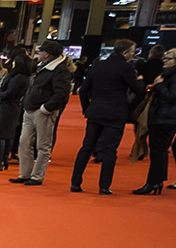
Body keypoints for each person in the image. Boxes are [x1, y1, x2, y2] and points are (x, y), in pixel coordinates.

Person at [71, 38, 143, 194]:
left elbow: (83, 91)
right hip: (115, 113)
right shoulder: (126, 68)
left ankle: (75, 183)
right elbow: (137, 90)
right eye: (133, 51)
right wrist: (141, 82)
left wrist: (87, 109)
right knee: (110, 150)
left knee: (86, 148)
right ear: (124, 53)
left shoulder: (98, 65)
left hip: (95, 111)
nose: (134, 55)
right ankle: (104, 187)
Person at [11, 39, 72, 186]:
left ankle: (37, 176)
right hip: (30, 109)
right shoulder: (43, 66)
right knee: (24, 142)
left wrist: (46, 108)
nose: (38, 53)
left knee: (43, 146)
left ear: (48, 54)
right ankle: (25, 174)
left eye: (41, 51)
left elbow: (62, 93)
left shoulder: (60, 70)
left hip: (42, 111)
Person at [133, 50, 176, 195]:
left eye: (168, 58)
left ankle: (153, 182)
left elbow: (171, 97)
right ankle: (156, 181)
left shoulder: (171, 77)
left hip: (165, 118)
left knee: (158, 151)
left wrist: (158, 85)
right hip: (163, 117)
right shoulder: (168, 74)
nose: (165, 60)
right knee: (160, 151)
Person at [0, 47, 31, 171]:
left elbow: (9, 93)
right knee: (7, 134)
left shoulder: (18, 78)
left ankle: (0, 160)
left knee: (1, 134)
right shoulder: (21, 77)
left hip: (8, 107)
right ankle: (3, 159)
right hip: (12, 107)